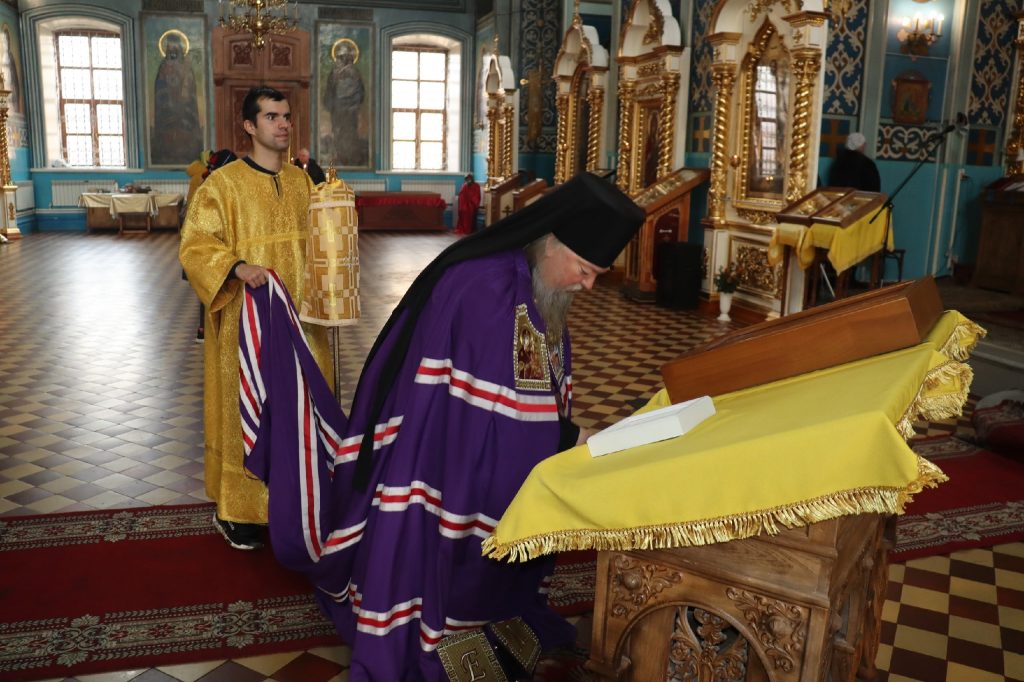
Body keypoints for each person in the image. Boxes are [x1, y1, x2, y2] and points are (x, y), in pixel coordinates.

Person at [244, 172, 644, 680]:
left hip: (467, 439)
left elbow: (523, 396)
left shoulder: (533, 285)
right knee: (450, 546)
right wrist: (572, 437)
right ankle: (451, 624)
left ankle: (494, 613)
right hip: (440, 449)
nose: (589, 285)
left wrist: (565, 432)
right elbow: (493, 418)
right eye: (585, 270)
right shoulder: (489, 290)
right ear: (551, 242)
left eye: (597, 274)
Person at [179, 86, 332, 551]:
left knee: (299, 407)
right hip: (246, 321)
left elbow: (326, 243)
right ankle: (238, 510)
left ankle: (300, 497)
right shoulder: (222, 185)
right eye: (271, 117)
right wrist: (236, 266)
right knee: (248, 405)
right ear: (249, 126)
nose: (283, 124)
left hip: (303, 320)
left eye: (286, 116)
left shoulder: (304, 183)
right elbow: (195, 245)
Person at [152, 31, 202, 166]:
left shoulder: (186, 65)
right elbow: (159, 85)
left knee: (184, 127)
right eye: (169, 47)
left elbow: (190, 83)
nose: (172, 50)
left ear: (180, 48)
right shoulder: (163, 65)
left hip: (184, 104)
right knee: (168, 128)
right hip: (167, 104)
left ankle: (187, 152)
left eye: (175, 47)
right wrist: (165, 89)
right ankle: (167, 154)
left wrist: (184, 93)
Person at [324, 40, 367, 167]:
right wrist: (331, 104)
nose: (338, 60)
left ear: (347, 58)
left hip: (350, 110)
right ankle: (340, 156)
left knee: (350, 133)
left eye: (341, 58)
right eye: (338, 58)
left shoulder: (354, 73)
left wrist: (353, 103)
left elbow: (360, 91)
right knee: (338, 132)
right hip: (338, 109)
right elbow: (330, 90)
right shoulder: (334, 73)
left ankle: (352, 157)